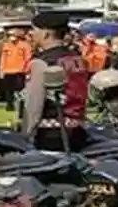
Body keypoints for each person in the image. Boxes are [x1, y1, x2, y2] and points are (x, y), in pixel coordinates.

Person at [19, 11, 88, 152]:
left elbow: (33, 106)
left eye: (34, 30)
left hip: (51, 132)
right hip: (78, 129)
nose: (31, 34)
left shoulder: (42, 62)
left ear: (46, 34)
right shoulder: (77, 58)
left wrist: (25, 136)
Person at [0, 30, 31, 111]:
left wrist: (27, 70)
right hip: (8, 71)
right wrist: (1, 70)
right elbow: (3, 59)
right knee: (8, 90)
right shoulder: (6, 45)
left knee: (20, 89)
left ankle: (21, 106)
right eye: (10, 35)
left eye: (13, 35)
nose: (11, 37)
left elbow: (28, 58)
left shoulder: (25, 45)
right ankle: (9, 105)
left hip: (20, 71)